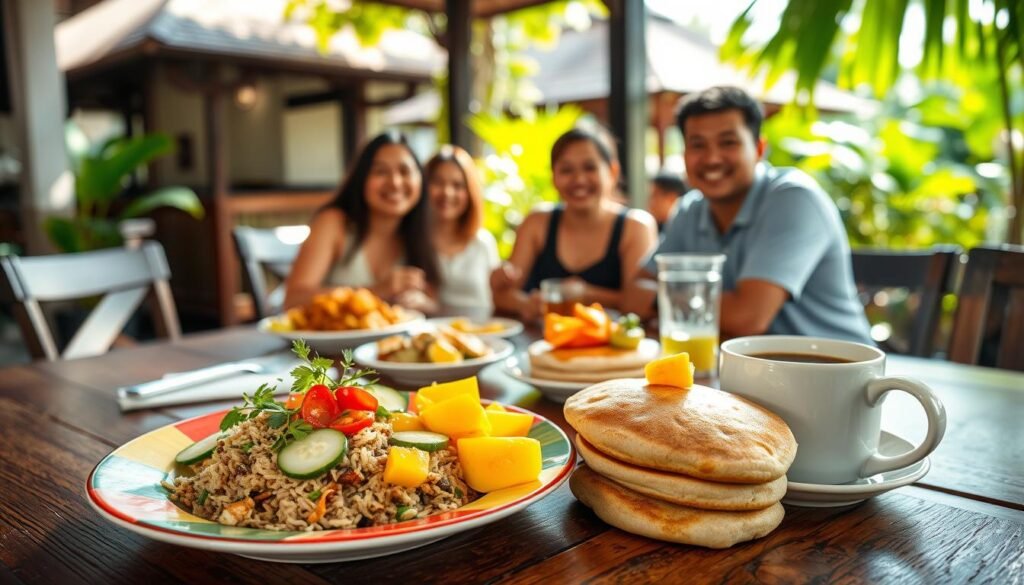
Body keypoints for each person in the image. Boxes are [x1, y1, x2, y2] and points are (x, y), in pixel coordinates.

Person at [625, 86, 872, 344]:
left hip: (838, 371)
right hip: (750, 372)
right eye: (697, 145)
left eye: (728, 142)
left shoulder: (794, 198)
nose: (712, 158)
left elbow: (748, 319)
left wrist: (659, 298)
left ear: (758, 149)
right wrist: (709, 306)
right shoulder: (690, 209)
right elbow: (633, 292)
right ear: (685, 154)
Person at [491, 127, 658, 319]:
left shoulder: (635, 227)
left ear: (612, 172)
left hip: (615, 346)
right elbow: (502, 295)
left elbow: (643, 303)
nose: (579, 179)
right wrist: (525, 304)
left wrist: (586, 295)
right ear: (553, 177)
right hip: (547, 344)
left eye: (589, 167)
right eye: (566, 170)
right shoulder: (537, 222)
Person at [284, 131, 440, 311]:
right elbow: (293, 300)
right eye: (381, 171)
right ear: (361, 179)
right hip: (328, 339)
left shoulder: (421, 231)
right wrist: (376, 291)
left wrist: (425, 304)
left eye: (405, 171)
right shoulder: (333, 223)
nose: (395, 182)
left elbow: (433, 301)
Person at [425, 145, 500, 312]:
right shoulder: (414, 242)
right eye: (438, 182)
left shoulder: (483, 243)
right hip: (432, 335)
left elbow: (497, 300)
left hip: (483, 334)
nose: (447, 192)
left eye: (457, 185)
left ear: (470, 192)